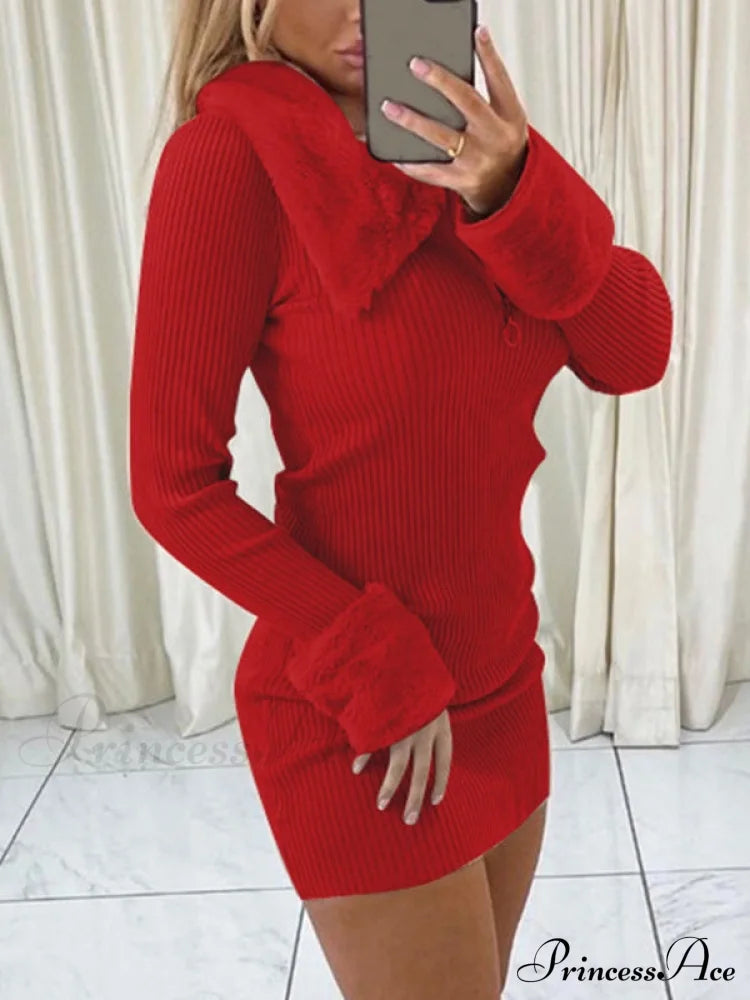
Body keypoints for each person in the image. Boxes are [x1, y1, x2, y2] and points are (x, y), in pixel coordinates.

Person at [128, 1, 673, 997]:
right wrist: (375, 664)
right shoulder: (230, 159)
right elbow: (173, 486)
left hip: (503, 680)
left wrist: (515, 190)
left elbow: (634, 354)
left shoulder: (477, 149)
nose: (362, 10)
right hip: (362, 717)